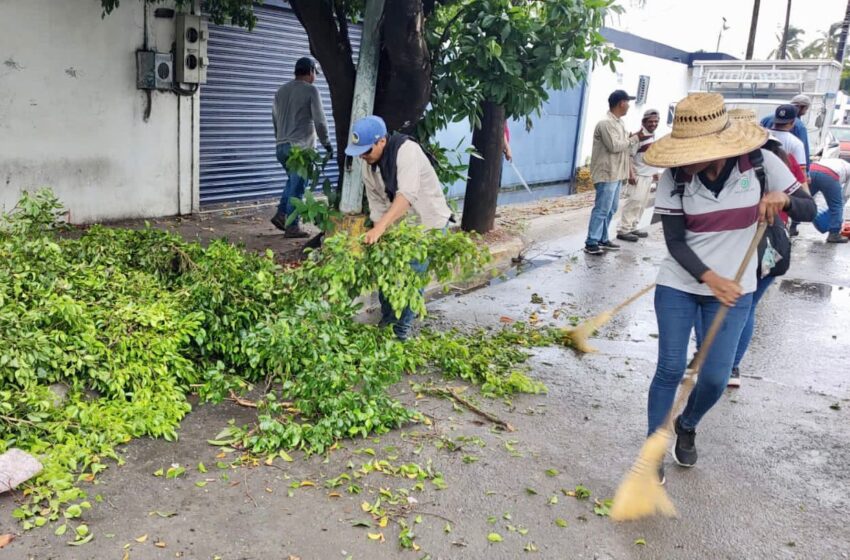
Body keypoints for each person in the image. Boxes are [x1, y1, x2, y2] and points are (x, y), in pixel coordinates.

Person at [643, 93, 815, 482]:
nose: (686, 159)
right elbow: (675, 242)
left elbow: (810, 210)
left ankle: (687, 424)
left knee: (716, 377)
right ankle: (653, 446)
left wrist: (784, 198)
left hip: (736, 289)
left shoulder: (762, 164)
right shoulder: (676, 177)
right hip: (680, 284)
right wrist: (710, 278)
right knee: (670, 368)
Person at [344, 115, 453, 340]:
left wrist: (380, 229)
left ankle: (401, 332)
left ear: (382, 141)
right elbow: (376, 205)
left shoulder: (407, 151)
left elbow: (406, 196)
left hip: (426, 223)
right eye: (360, 152)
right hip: (398, 225)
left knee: (412, 277)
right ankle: (388, 321)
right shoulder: (368, 166)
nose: (363, 157)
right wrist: (379, 235)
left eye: (366, 151)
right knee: (387, 273)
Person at [271, 57, 333, 238]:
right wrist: (327, 143)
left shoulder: (281, 91)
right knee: (298, 187)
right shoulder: (311, 91)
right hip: (300, 148)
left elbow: (274, 120)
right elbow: (320, 121)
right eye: (315, 73)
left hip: (281, 146)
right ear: (311, 71)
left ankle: (282, 214)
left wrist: (280, 140)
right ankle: (292, 227)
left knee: (292, 182)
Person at [585, 90, 638, 255]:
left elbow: (625, 148)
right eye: (628, 102)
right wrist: (633, 139)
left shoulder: (619, 124)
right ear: (621, 103)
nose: (629, 106)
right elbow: (615, 146)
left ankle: (602, 238)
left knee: (611, 208)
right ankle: (591, 241)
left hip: (617, 173)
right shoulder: (605, 123)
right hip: (607, 173)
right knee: (602, 208)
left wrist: (628, 171)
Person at [617, 109, 661, 242]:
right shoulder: (640, 136)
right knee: (634, 202)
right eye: (650, 121)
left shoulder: (652, 135)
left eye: (656, 121)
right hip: (638, 176)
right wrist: (630, 174)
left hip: (647, 175)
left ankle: (633, 227)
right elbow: (628, 155)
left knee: (641, 204)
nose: (653, 124)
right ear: (644, 122)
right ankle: (624, 230)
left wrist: (654, 172)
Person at [809, 158, 850, 244]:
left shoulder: (840, 162)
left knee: (804, 199)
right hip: (828, 175)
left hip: (812, 169)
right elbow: (845, 195)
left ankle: (792, 227)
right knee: (837, 205)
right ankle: (834, 234)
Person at [765, 105, 807, 178]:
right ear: (793, 122)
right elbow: (801, 173)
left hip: (759, 181)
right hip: (784, 183)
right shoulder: (796, 143)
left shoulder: (762, 136)